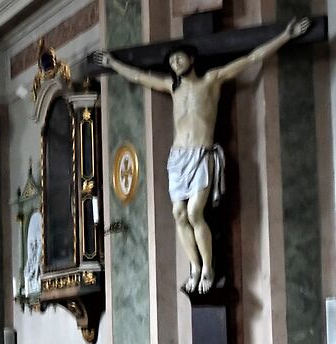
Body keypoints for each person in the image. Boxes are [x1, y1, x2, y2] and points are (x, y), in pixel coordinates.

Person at [103, 18, 308, 294]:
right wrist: (113, 64)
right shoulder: (171, 86)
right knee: (178, 214)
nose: (175, 63)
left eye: (179, 58)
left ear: (191, 58)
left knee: (194, 212)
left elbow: (252, 57)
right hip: (178, 157)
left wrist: (286, 35)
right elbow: (140, 77)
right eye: (172, 61)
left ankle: (208, 268)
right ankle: (195, 267)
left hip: (202, 155)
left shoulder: (212, 79)